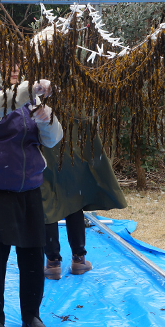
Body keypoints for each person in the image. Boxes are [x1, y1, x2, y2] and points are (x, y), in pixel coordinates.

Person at [0, 51, 63, 327]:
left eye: (17, 64)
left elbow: (53, 139)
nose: (14, 68)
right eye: (6, 63)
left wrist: (47, 119)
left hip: (29, 187)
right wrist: (26, 90)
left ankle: (31, 315)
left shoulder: (29, 97)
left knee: (33, 254)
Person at [41, 119, 127, 280]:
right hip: (71, 155)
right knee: (74, 203)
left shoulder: (37, 102)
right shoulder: (74, 107)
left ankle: (52, 263)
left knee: (48, 205)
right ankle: (79, 259)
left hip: (45, 154)